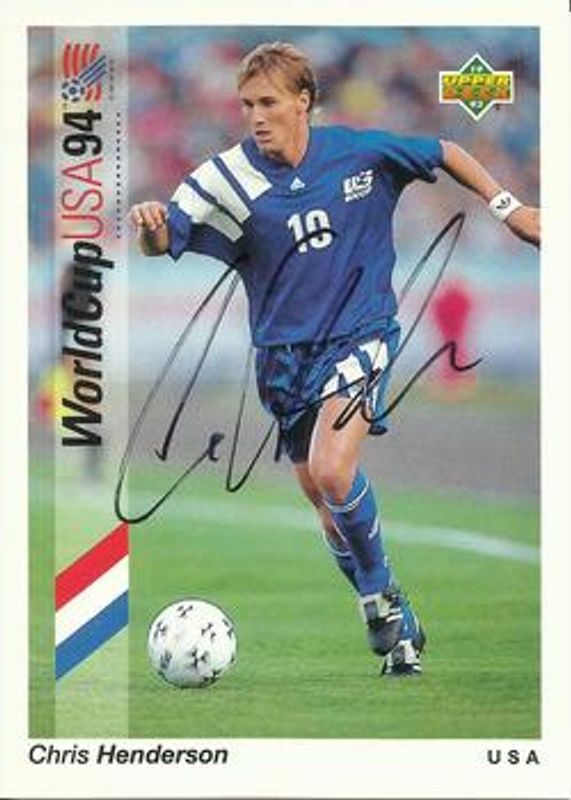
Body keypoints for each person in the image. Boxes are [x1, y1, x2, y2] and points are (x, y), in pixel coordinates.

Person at [129, 42, 540, 677]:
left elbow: (444, 151)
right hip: (281, 359)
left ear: (303, 101)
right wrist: (151, 224)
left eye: (269, 102)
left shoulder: (359, 151)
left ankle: (377, 599)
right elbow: (163, 242)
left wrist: (509, 209)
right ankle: (397, 618)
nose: (256, 116)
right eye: (247, 104)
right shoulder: (222, 179)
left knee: (332, 470)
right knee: (325, 507)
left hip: (361, 334)